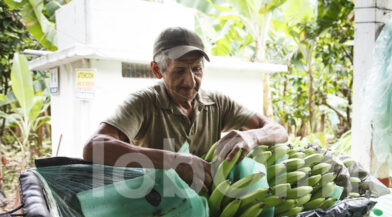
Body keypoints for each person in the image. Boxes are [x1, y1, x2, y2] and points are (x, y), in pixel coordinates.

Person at [83, 27, 288, 193]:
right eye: (180, 70)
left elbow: (278, 131)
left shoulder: (217, 103)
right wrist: (173, 161)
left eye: (197, 69)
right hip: (155, 207)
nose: (191, 81)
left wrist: (252, 137)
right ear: (157, 70)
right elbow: (94, 147)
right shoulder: (143, 103)